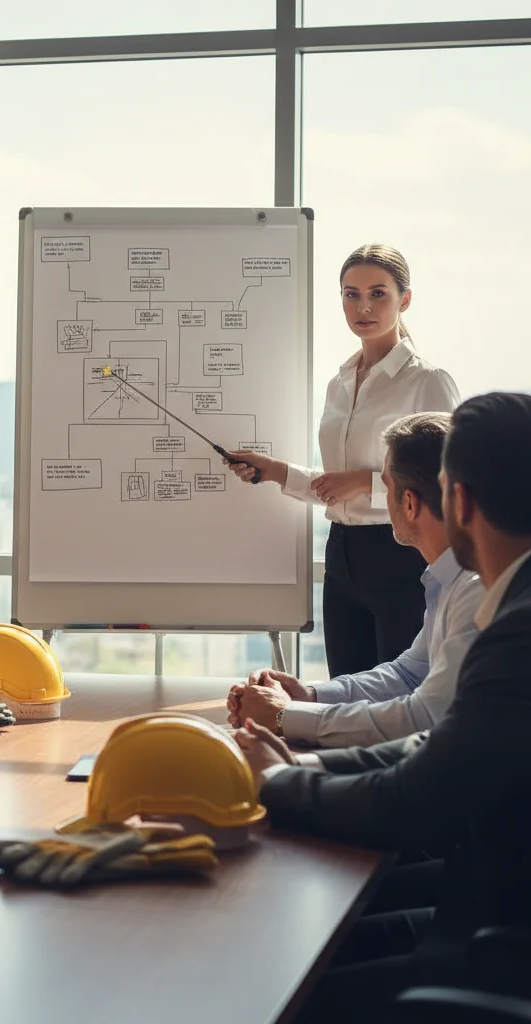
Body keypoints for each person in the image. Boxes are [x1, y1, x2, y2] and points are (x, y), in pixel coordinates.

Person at [233, 391, 531, 1022]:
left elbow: (416, 795)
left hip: (496, 940)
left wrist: (279, 780)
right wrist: (304, 762)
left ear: (460, 501)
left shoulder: (518, 625)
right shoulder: (508, 600)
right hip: (488, 902)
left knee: (274, 984)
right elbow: (437, 740)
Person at [227, 245, 460, 676]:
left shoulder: (427, 381)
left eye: (378, 294)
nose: (363, 306)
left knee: (402, 694)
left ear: (404, 300)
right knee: (347, 689)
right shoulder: (338, 383)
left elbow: (445, 483)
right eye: (351, 294)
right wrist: (276, 471)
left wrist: (367, 483)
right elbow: (337, 485)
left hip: (401, 555)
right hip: (342, 557)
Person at [227, 411, 482, 748]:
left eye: (385, 487)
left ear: (408, 504)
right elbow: (407, 675)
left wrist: (285, 716)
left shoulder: (476, 589)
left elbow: (425, 715)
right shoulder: (448, 579)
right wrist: (308, 695)